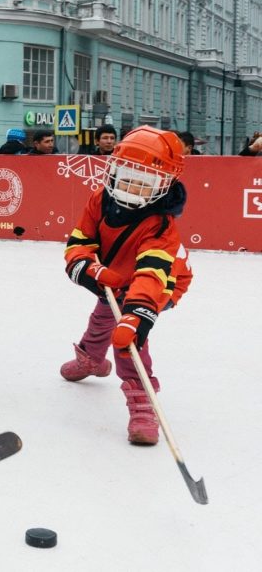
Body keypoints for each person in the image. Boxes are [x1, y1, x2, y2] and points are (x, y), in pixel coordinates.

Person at [60, 126, 191, 445]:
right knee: (104, 313)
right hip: (115, 275)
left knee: (128, 337)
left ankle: (143, 403)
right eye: (126, 174)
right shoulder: (99, 199)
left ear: (163, 184)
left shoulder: (160, 226)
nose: (131, 186)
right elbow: (80, 241)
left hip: (160, 281)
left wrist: (137, 314)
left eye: (144, 181)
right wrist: (89, 266)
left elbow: (152, 273)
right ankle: (91, 357)